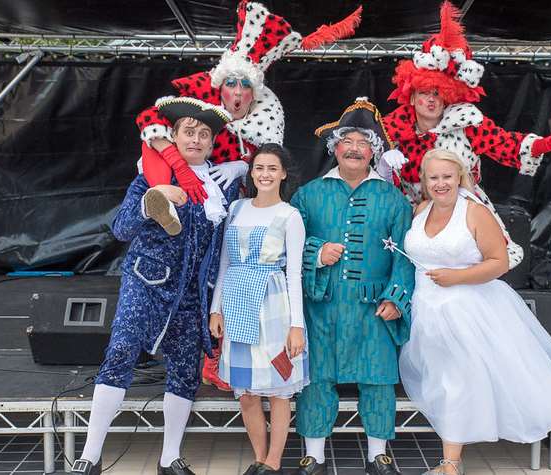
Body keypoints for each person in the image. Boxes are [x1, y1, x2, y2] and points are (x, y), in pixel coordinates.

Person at [134, 0, 362, 390]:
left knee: (219, 281)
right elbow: (149, 119)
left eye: (245, 85)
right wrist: (173, 157)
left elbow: (269, 164)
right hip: (191, 201)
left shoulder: (267, 118)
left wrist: (245, 164)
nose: (237, 92)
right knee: (192, 279)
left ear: (254, 90)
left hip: (239, 215)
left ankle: (218, 356)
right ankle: (182, 349)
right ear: (220, 84)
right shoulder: (197, 107)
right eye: (231, 83)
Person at [70, 97, 239, 475]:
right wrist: (153, 202)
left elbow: (225, 247)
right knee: (120, 356)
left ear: (212, 143)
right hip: (146, 281)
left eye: (204, 135)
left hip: (193, 292)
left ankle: (169, 458)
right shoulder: (152, 176)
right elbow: (120, 228)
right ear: (174, 137)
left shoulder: (222, 185)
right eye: (188, 132)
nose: (196, 140)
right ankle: (90, 455)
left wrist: (217, 302)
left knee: (185, 371)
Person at [398, 149, 551, 475]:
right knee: (439, 382)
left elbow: (499, 263)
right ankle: (452, 455)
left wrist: (456, 276)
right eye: (434, 177)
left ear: (459, 176)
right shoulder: (420, 210)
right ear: (424, 180)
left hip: (466, 308)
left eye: (447, 176)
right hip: (425, 309)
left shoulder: (475, 212)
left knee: (456, 381)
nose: (441, 183)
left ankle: (450, 463)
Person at [380, 2, 551, 269]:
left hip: (459, 211)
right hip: (410, 214)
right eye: (425, 93)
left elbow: (505, 144)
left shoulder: (466, 122)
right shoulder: (391, 129)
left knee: (469, 269)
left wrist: (547, 144)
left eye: (438, 93)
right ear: (412, 95)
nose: (431, 101)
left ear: (449, 95)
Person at [291, 98, 415, 475]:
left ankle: (378, 454)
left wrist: (397, 298)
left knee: (377, 380)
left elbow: (406, 255)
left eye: (364, 142)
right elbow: (287, 246)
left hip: (373, 307)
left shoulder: (393, 199)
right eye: (349, 141)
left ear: (374, 151)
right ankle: (314, 455)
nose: (356, 148)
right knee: (316, 380)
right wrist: (315, 252)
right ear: (335, 148)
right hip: (322, 305)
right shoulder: (308, 195)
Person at [209, 143, 308, 475]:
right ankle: (258, 456)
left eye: (271, 169)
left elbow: (294, 273)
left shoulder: (289, 215)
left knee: (279, 389)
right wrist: (215, 309)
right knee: (247, 391)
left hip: (272, 305)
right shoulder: (236, 208)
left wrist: (297, 326)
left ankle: (274, 461)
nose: (265, 174)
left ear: (282, 174)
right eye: (259, 168)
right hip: (237, 304)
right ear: (251, 173)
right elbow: (224, 264)